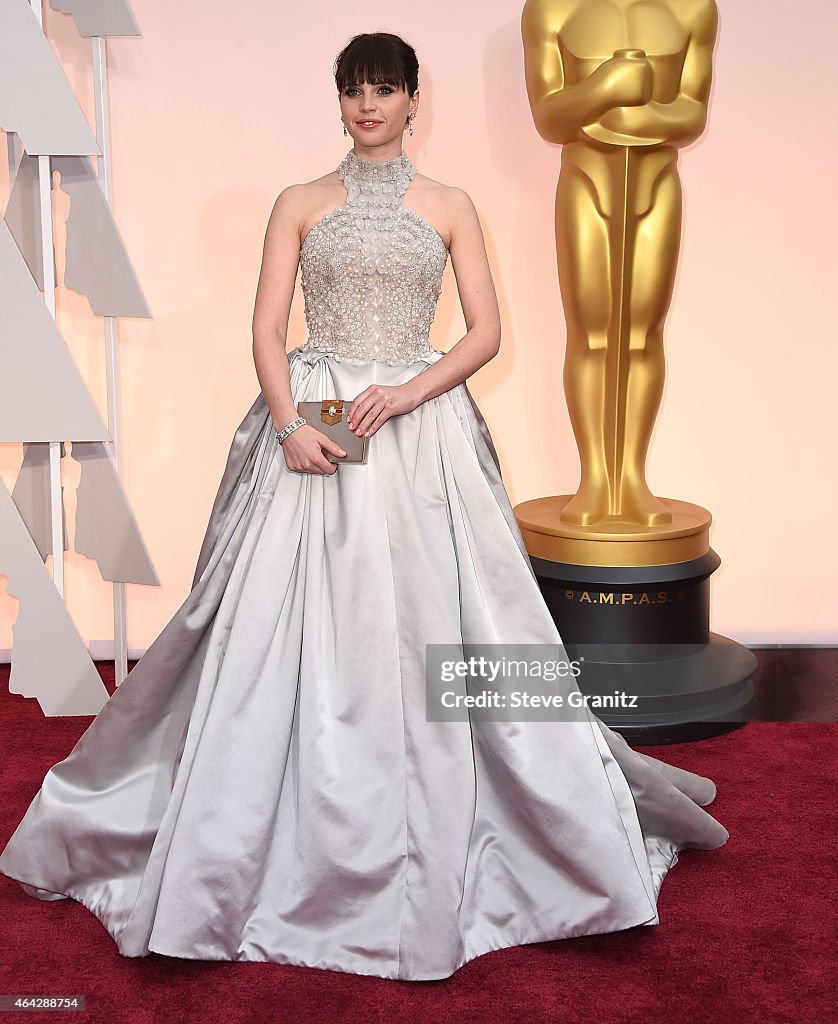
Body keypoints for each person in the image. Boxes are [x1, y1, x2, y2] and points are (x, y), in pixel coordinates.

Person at [0, 32, 728, 981]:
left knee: (451, 625)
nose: (369, 106)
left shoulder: (451, 205)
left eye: (385, 89)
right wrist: (289, 421)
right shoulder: (299, 202)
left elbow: (487, 332)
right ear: (338, 101)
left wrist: (414, 391)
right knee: (269, 624)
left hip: (416, 432)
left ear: (414, 98)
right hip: (314, 423)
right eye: (355, 91)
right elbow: (266, 326)